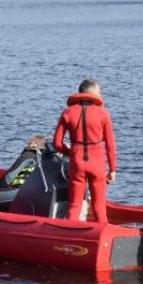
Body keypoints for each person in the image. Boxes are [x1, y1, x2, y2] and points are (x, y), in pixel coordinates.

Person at [53, 79, 116, 223]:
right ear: (93, 93)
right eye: (99, 92)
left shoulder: (68, 112)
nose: (100, 95)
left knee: (74, 206)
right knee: (99, 207)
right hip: (97, 163)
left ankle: (69, 233)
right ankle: (101, 234)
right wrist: (112, 169)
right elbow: (110, 145)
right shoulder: (103, 114)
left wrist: (70, 153)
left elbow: (57, 144)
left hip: (77, 162)